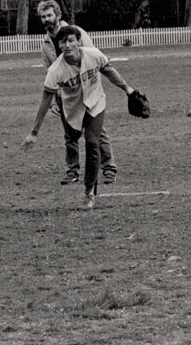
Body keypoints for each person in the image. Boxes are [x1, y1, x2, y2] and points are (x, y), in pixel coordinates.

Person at [22, 25, 139, 210]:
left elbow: (108, 70)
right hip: (72, 110)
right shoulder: (55, 71)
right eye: (63, 41)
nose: (67, 45)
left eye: (71, 40)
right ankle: (74, 171)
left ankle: (89, 191)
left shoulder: (93, 55)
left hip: (95, 102)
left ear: (78, 41)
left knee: (92, 142)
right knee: (72, 138)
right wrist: (34, 132)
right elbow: (45, 101)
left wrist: (127, 89)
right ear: (59, 45)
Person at [37, 0, 117, 186]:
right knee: (70, 134)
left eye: (49, 15)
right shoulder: (47, 43)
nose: (47, 19)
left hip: (87, 88)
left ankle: (109, 169)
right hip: (66, 93)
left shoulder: (75, 32)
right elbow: (49, 73)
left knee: (96, 131)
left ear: (57, 15)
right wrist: (54, 101)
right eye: (43, 17)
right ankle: (73, 171)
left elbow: (92, 55)